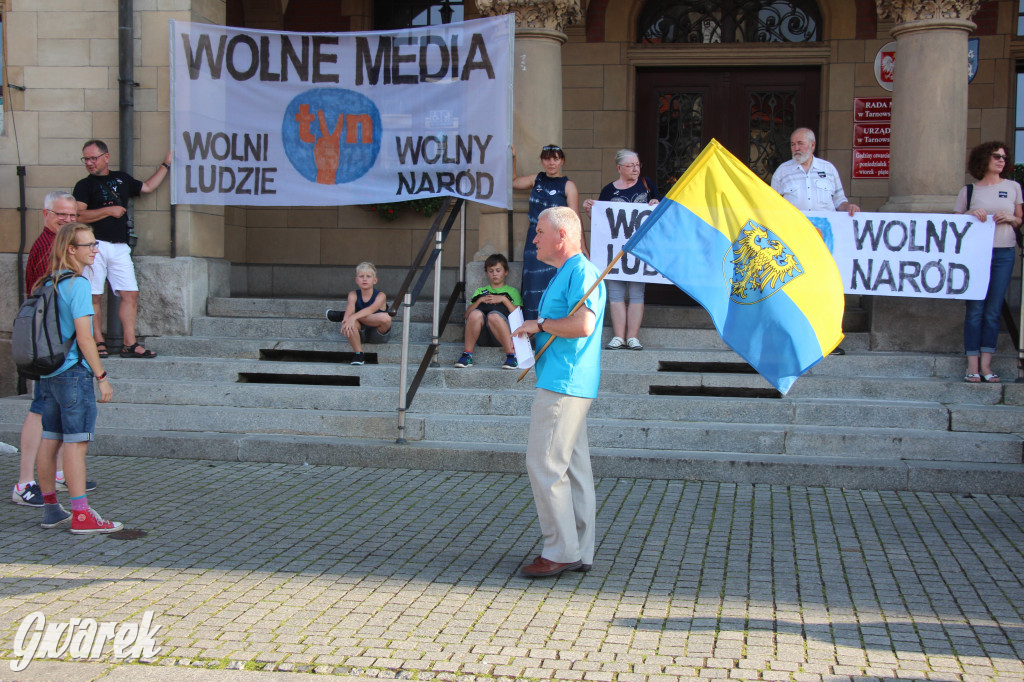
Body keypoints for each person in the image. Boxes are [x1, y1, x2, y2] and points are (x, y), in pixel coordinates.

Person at [512, 207, 606, 578]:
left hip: (564, 384)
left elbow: (583, 324)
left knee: (545, 463)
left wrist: (540, 324)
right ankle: (579, 549)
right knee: (573, 468)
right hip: (565, 380)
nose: (533, 238)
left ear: (561, 236)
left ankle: (560, 549)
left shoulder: (581, 270)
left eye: (539, 232)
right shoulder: (568, 271)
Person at [33, 221, 121, 533]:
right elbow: (85, 339)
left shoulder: (47, 282)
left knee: (50, 439)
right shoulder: (79, 285)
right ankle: (81, 515)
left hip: (49, 374)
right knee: (76, 443)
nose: (95, 250)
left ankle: (50, 509)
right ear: (72, 249)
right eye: (89, 245)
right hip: (74, 374)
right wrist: (102, 375)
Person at [13, 192, 97, 507]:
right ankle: (28, 483)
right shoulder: (53, 253)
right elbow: (65, 319)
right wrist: (101, 374)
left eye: (73, 215)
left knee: (52, 429)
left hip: (50, 354)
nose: (67, 219)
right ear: (46, 213)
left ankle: (54, 491)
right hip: (58, 356)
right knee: (55, 428)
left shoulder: (53, 253)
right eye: (61, 214)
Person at [73, 139, 173, 360]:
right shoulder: (84, 185)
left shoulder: (122, 178)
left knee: (130, 293)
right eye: (86, 159)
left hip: (120, 246)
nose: (89, 163)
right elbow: (78, 215)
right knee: (93, 296)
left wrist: (165, 165)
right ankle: (98, 341)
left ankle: (129, 343)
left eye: (93, 158)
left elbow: (147, 187)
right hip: (94, 245)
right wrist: (109, 211)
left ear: (106, 157)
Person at [771, 127, 859, 356]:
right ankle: (793, 339)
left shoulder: (828, 170)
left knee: (824, 289)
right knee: (794, 287)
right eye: (792, 144)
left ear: (812, 144)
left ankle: (828, 340)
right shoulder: (783, 171)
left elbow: (839, 199)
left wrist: (847, 207)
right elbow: (771, 205)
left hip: (824, 242)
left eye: (800, 143)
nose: (795, 148)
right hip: (794, 240)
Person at [954, 141, 1023, 383]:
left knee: (993, 312)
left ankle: (986, 365)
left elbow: (1019, 220)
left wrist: (1012, 217)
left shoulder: (1013, 187)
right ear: (983, 159)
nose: (1001, 160)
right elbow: (954, 223)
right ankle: (972, 366)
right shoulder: (969, 191)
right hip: (976, 255)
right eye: (996, 156)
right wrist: (970, 215)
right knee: (975, 310)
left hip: (1003, 253)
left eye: (1004, 157)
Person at [583, 149, 659, 350]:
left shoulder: (647, 185)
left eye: (637, 164)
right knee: (615, 295)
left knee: (636, 294)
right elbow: (603, 223)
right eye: (630, 165)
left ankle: (633, 337)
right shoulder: (609, 190)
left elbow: (660, 211)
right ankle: (619, 336)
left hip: (640, 251)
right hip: (615, 251)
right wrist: (591, 212)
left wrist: (655, 203)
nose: (635, 168)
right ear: (619, 168)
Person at [511, 144, 581, 320]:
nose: (551, 163)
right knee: (532, 284)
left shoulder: (568, 185)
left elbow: (575, 219)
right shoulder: (537, 179)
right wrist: (513, 158)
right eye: (547, 159)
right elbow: (514, 182)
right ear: (542, 161)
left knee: (554, 283)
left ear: (562, 161)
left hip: (557, 241)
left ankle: (553, 326)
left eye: (555, 159)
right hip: (534, 238)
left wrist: (581, 246)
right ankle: (531, 330)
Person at [456, 254, 522, 370]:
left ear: (505, 272)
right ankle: (467, 355)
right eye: (490, 271)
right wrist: (480, 301)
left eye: (498, 270)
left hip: (502, 336)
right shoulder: (480, 291)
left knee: (494, 316)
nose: (494, 274)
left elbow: (518, 317)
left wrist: (503, 299)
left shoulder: (512, 291)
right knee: (475, 314)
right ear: (487, 273)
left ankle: (512, 356)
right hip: (482, 336)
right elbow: (467, 316)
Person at [325, 262, 392, 366]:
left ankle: (341, 315)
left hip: (377, 334)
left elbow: (371, 309)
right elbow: (350, 307)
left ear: (375, 280)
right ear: (357, 280)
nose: (364, 279)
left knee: (386, 318)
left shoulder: (380, 295)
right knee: (349, 321)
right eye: (361, 276)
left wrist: (351, 316)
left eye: (368, 276)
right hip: (360, 332)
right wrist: (347, 319)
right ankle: (359, 354)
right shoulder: (353, 294)